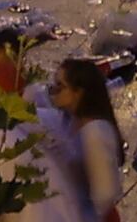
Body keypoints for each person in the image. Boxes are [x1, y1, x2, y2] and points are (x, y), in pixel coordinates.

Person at [32, 58, 128, 222]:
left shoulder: (96, 132)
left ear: (78, 92)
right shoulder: (68, 119)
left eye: (60, 86)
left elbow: (104, 195)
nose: (53, 91)